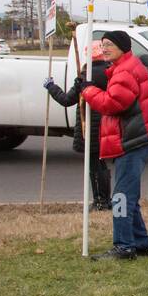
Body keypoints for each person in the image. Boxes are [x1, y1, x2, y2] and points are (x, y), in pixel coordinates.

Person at [81, 29, 148, 260]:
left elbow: (112, 104)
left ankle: (124, 247)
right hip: (138, 137)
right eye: (103, 44)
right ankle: (141, 242)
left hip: (133, 139)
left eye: (110, 45)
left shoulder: (125, 72)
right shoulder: (125, 66)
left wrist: (87, 90)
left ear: (123, 48)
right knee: (128, 194)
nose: (105, 48)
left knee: (121, 197)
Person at [42, 40, 111, 211]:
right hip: (107, 125)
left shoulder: (86, 77)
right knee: (102, 165)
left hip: (90, 126)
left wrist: (51, 86)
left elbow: (66, 100)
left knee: (94, 166)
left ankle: (99, 202)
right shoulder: (110, 72)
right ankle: (105, 199)